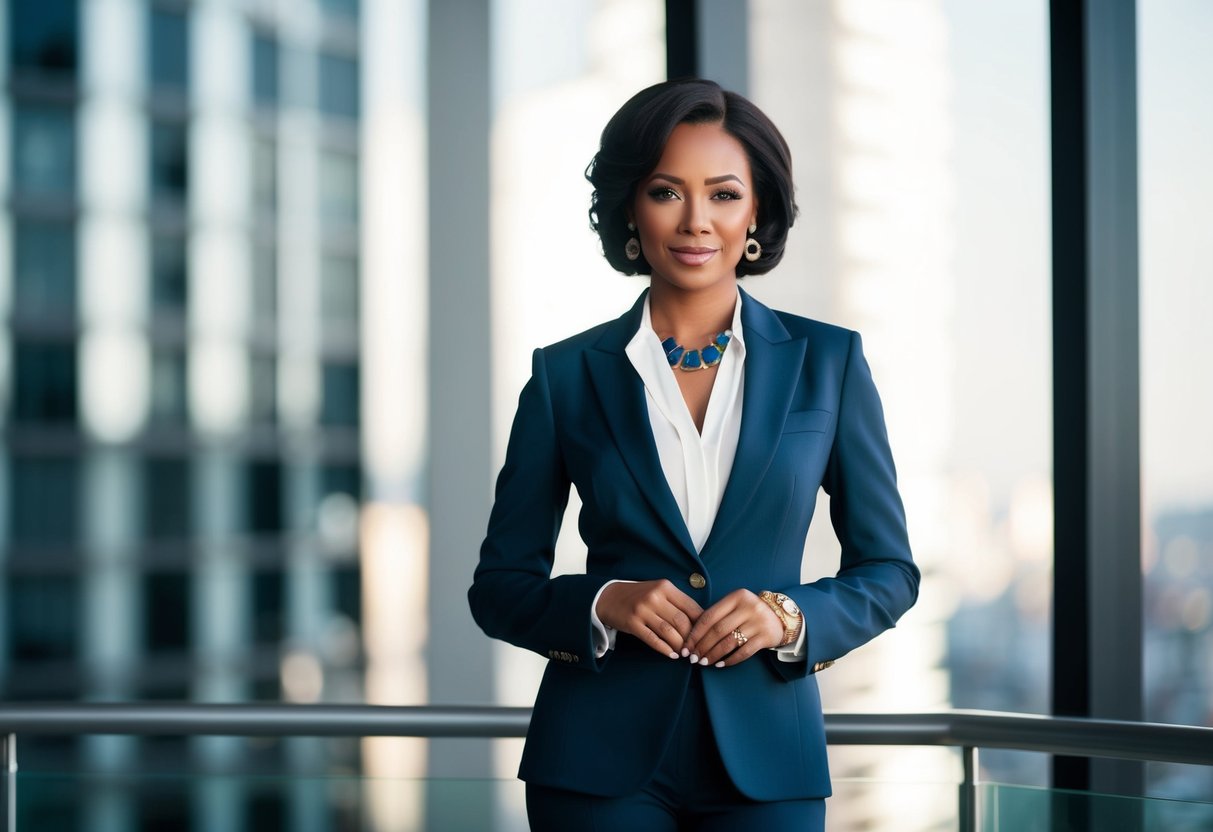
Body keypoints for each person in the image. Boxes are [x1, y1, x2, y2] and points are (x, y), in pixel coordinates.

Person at [468, 78, 919, 831]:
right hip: (593, 764)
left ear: (756, 214)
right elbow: (499, 586)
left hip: (769, 761)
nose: (695, 221)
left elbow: (889, 572)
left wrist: (788, 616)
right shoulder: (564, 375)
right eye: (665, 191)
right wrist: (602, 601)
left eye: (722, 193)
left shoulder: (828, 365)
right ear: (630, 213)